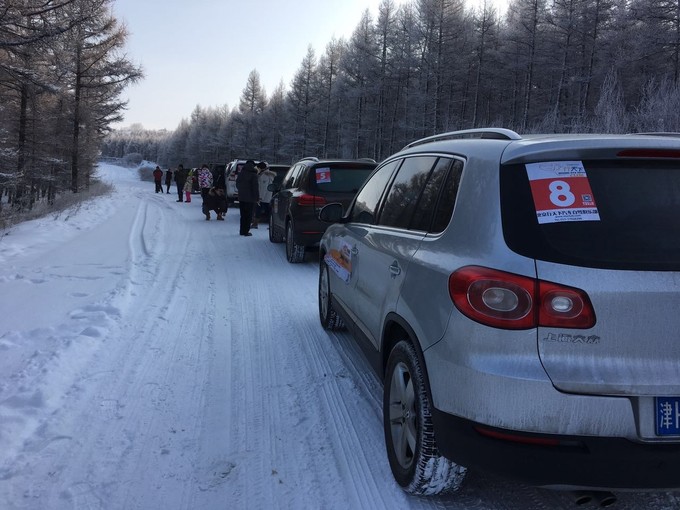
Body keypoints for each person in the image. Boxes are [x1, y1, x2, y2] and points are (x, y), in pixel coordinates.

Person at [235, 160, 259, 236]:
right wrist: (257, 197)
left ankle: (242, 230)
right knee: (249, 216)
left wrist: (241, 191)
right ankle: (246, 231)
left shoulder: (241, 173)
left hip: (241, 197)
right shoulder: (253, 175)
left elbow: (237, 184)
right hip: (250, 198)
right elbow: (255, 187)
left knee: (243, 215)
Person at [253, 162, 275, 229]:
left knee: (259, 210)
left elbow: (263, 187)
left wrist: (260, 197)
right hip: (267, 197)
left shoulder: (265, 175)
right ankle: (271, 225)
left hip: (264, 197)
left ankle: (255, 224)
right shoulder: (267, 174)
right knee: (268, 211)